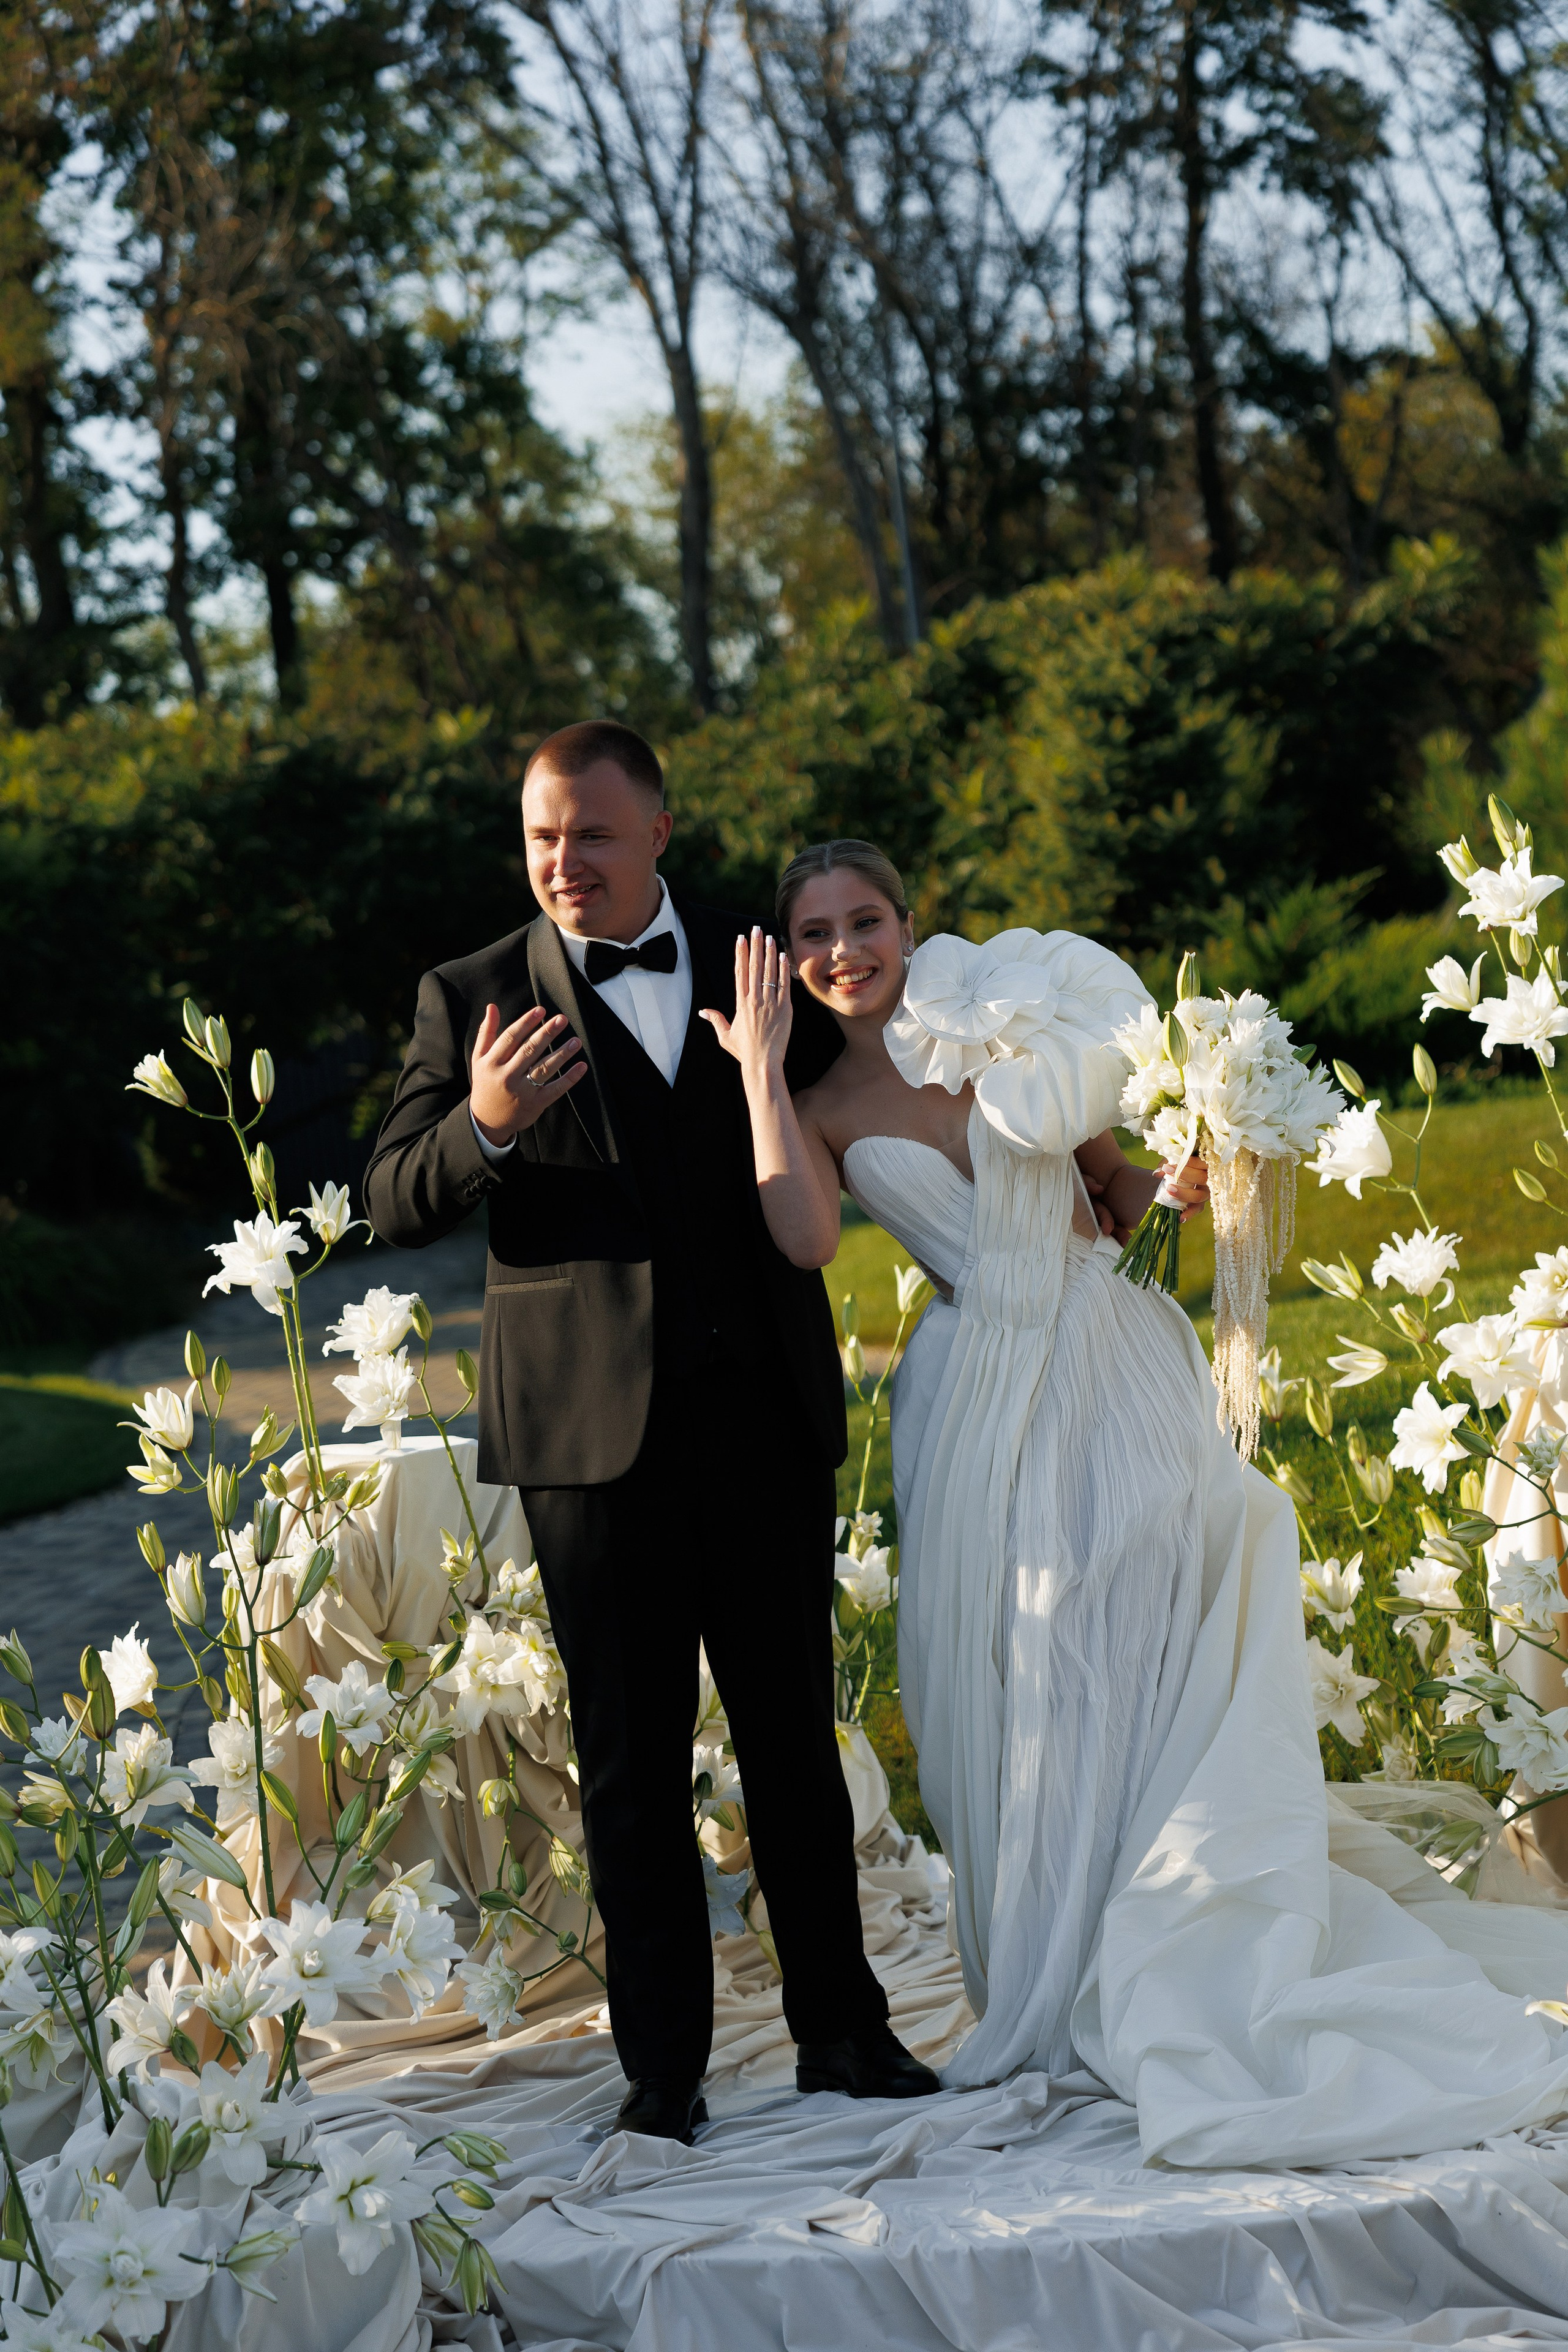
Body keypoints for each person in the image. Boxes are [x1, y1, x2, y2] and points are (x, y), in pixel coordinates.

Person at [707, 834, 1568, 2168]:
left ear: (906, 924)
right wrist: (760, 1070)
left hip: (1106, 1356)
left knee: (1134, 1639)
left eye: (863, 921)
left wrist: (1182, 1179)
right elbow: (806, 1238)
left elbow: (1110, 1189)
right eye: (813, 934)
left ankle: (1165, 1938)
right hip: (970, 1396)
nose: (842, 953)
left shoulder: (1007, 1032)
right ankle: (1053, 1967)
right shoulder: (814, 1102)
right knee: (1020, 1672)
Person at [362, 727, 937, 2145]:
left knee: (791, 1740)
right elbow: (392, 1197)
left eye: (593, 836)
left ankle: (843, 2033)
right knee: (630, 1764)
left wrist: (1086, 1165)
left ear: (658, 832)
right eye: (542, 838)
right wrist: (487, 1123)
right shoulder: (473, 994)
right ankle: (662, 2069)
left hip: (761, 1417)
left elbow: (893, 1078)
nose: (563, 863)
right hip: (588, 1443)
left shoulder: (761, 962)